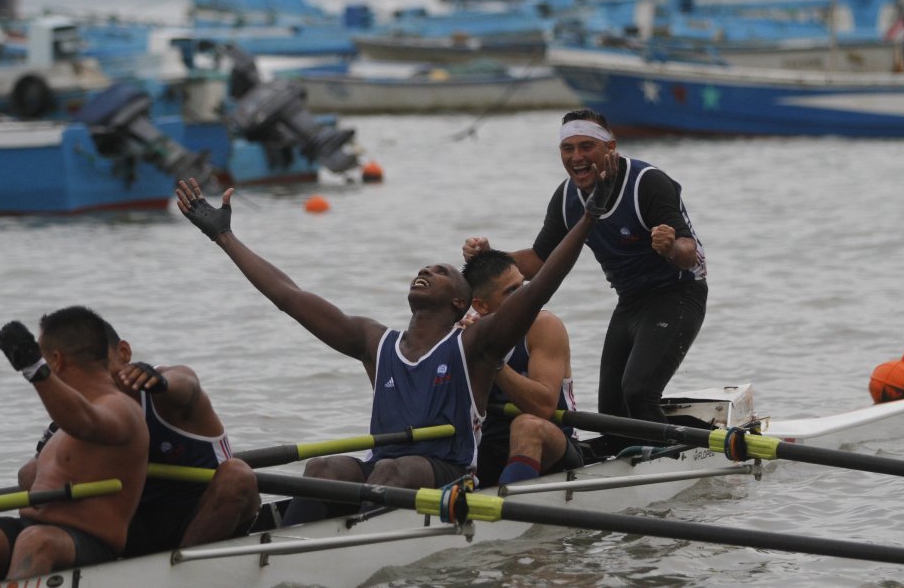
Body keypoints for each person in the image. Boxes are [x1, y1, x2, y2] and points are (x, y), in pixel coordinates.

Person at [173, 170, 612, 514]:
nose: (427, 270)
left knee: (391, 469)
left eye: (440, 271)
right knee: (323, 468)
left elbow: (540, 289)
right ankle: (289, 548)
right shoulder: (373, 341)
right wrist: (224, 237)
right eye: (424, 268)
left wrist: (588, 218)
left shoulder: (475, 345)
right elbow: (290, 296)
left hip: (449, 472)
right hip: (386, 469)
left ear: (462, 302)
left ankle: (361, 546)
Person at [463, 109, 707, 438]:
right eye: (568, 149)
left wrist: (670, 248)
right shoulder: (566, 198)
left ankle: (689, 449)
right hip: (630, 301)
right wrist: (490, 255)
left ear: (611, 148)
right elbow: (537, 261)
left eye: (586, 147)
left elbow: (689, 253)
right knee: (611, 408)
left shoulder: (647, 183)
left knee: (637, 390)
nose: (577, 158)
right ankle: (647, 453)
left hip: (678, 294)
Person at [0, 307, 149, 588]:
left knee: (36, 542)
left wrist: (34, 368)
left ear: (56, 361)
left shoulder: (122, 409)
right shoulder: (63, 425)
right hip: (32, 528)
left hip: (88, 543)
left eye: (45, 357)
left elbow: (85, 422)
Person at [20, 318, 261, 558]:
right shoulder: (74, 418)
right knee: (31, 472)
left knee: (237, 475)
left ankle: (182, 573)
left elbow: (186, 381)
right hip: (130, 529)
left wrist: (163, 384)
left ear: (124, 352)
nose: (87, 378)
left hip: (208, 517)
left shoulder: (165, 390)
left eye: (98, 364)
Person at [461, 249, 584, 486]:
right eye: (513, 291)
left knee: (526, 425)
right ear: (481, 305)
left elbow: (543, 407)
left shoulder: (544, 326)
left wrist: (492, 361)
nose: (528, 295)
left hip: (552, 451)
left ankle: (505, 509)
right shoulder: (466, 333)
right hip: (489, 451)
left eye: (524, 285)